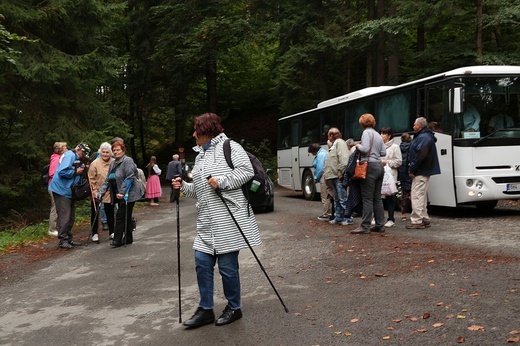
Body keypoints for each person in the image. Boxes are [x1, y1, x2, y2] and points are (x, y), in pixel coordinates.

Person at [172, 112, 261, 328]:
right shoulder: (201, 156)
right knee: (202, 263)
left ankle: (234, 307)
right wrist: (183, 187)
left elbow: (246, 172)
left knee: (227, 268)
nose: (193, 135)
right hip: (206, 222)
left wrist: (221, 181)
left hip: (228, 221)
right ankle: (205, 310)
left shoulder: (230, 147)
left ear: (207, 132)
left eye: (196, 131)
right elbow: (201, 190)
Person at [98, 140, 143, 247]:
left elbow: (130, 177)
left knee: (120, 215)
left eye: (118, 150)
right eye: (114, 150)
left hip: (130, 193)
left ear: (123, 150)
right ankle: (128, 238)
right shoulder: (113, 163)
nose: (116, 152)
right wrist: (101, 192)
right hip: (118, 194)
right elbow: (108, 179)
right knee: (126, 215)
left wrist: (123, 192)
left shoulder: (128, 161)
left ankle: (117, 240)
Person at [49, 142, 91, 249]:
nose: (83, 157)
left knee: (71, 216)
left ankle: (69, 238)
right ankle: (63, 240)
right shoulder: (70, 155)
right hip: (61, 189)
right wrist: (75, 171)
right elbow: (62, 171)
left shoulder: (76, 157)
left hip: (69, 190)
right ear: (79, 150)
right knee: (65, 215)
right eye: (83, 154)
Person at [350, 113, 386, 234]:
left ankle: (365, 225)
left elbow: (364, 149)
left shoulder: (366, 133)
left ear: (362, 123)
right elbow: (383, 152)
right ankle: (380, 225)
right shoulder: (378, 134)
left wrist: (357, 145)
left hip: (368, 167)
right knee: (377, 198)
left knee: (367, 198)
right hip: (379, 167)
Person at [406, 117, 441, 229]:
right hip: (424, 170)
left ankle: (417, 221)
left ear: (419, 126)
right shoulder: (426, 136)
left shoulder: (422, 137)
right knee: (422, 195)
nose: (413, 126)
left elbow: (421, 155)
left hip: (420, 170)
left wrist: (413, 168)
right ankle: (424, 218)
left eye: (414, 124)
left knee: (417, 195)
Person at [88, 142, 115, 242]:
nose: (105, 154)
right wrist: (94, 192)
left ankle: (112, 231)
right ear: (100, 152)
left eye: (107, 152)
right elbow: (91, 179)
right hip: (97, 191)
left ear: (110, 153)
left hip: (110, 191)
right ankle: (94, 233)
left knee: (110, 212)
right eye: (103, 152)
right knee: (95, 213)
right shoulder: (94, 163)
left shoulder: (114, 162)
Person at [323, 128, 351, 225]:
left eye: (328, 135)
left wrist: (341, 171)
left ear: (332, 135)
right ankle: (338, 217)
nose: (327, 137)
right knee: (337, 198)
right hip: (334, 175)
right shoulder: (335, 144)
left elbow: (344, 158)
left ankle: (348, 217)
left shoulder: (340, 143)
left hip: (338, 175)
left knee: (342, 197)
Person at [380, 127, 402, 228]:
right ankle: (378, 217)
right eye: (381, 133)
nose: (381, 135)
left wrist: (387, 162)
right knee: (378, 197)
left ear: (389, 135)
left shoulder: (395, 147)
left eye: (384, 134)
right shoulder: (379, 146)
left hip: (390, 176)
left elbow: (399, 161)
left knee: (390, 198)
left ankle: (391, 218)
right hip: (380, 174)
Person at [47, 142, 67, 236]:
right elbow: (52, 173)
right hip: (54, 186)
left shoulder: (60, 158)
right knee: (55, 207)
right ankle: (52, 229)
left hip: (57, 186)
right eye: (64, 147)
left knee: (58, 206)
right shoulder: (56, 159)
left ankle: (57, 227)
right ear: (60, 150)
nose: (66, 149)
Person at [308, 143, 332, 221]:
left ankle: (326, 214)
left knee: (325, 196)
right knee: (328, 195)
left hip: (323, 177)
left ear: (314, 150)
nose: (312, 154)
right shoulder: (324, 152)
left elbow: (320, 168)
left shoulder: (321, 155)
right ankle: (329, 212)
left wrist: (316, 178)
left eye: (312, 153)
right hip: (328, 176)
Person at [397, 133, 413, 221]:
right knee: (414, 193)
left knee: (404, 193)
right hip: (410, 172)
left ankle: (403, 213)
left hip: (402, 172)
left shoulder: (399, 147)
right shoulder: (412, 146)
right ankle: (415, 211)